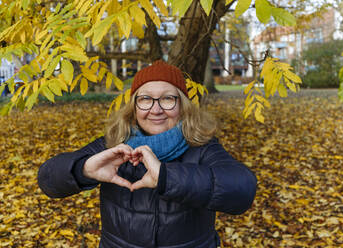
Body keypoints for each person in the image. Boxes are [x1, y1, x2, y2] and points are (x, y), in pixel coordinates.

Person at [38, 60, 257, 248]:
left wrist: (166, 177)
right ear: (134, 106)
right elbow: (48, 179)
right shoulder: (113, 144)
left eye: (168, 98)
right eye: (145, 99)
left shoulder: (201, 146)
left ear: (183, 105)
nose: (156, 109)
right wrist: (82, 170)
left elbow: (242, 190)